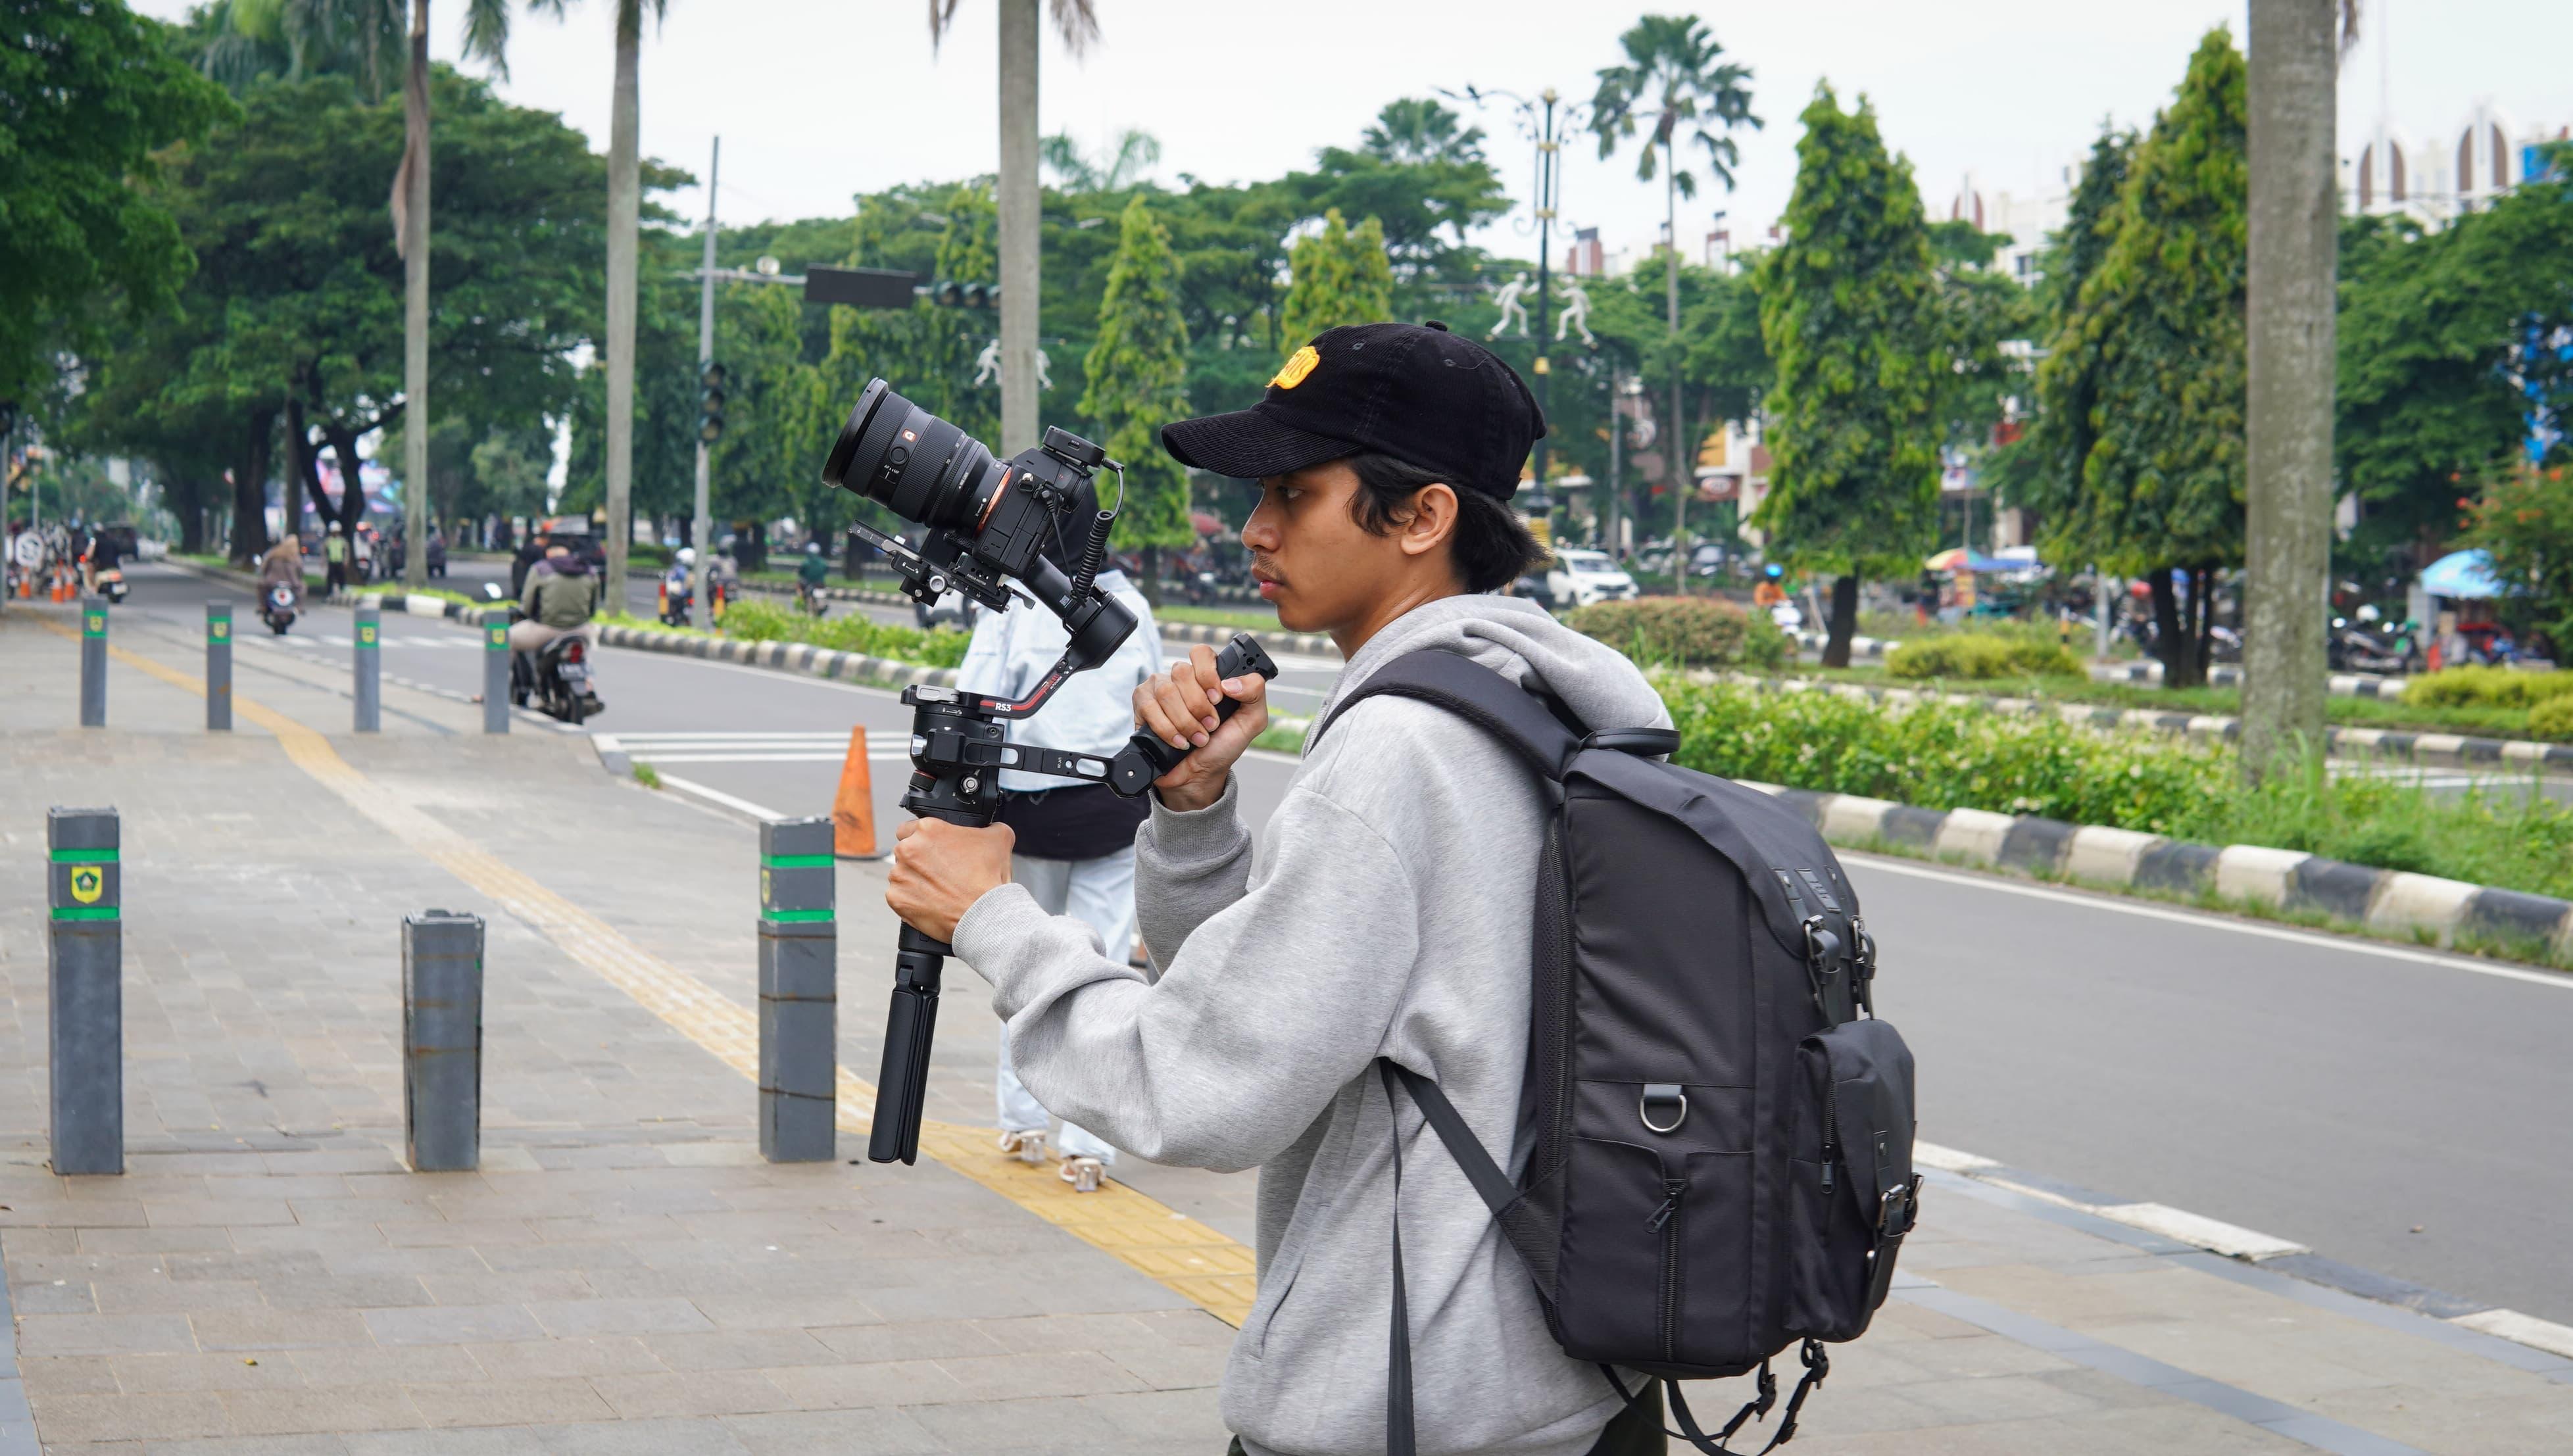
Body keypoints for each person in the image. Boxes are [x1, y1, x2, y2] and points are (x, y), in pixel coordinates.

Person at [887, 323, 1675, 1455]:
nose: (1253, 527)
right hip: (1564, 1386)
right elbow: (1309, 1007)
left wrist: (991, 920)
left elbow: (1205, 1085)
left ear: (1422, 516)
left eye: (1294, 493)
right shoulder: (1531, 705)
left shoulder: (1399, 751)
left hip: (1413, 1411)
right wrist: (1197, 812)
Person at [951, 488, 1164, 1193]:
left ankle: (1020, 1121)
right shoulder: (1134, 609)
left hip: (1029, 816)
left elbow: (976, 697)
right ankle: (1091, 1147)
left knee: (1023, 967)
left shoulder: (1015, 603)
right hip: (1111, 813)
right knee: (1101, 975)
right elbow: (1155, 704)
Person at [511, 543, 602, 706]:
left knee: (506, 638)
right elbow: (593, 609)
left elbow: (527, 605)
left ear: (549, 555)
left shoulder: (540, 569)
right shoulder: (589, 570)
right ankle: (589, 684)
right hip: (581, 630)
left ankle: (496, 689)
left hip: (546, 629)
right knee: (586, 651)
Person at [322, 525, 350, 595]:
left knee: (341, 578)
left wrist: (346, 561)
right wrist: (323, 561)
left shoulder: (342, 541)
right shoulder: (328, 541)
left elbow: (347, 551)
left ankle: (342, 591)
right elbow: (324, 552)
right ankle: (329, 593)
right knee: (330, 579)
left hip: (340, 561)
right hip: (331, 562)